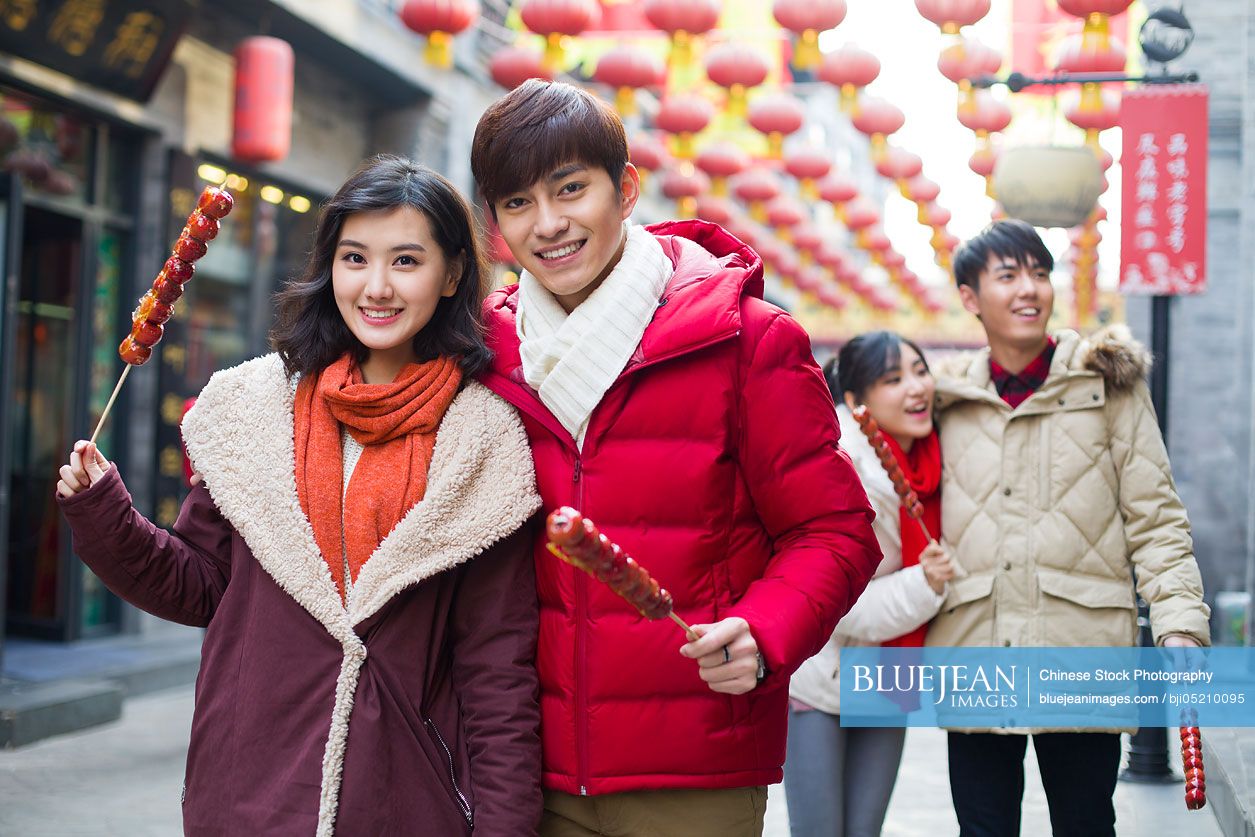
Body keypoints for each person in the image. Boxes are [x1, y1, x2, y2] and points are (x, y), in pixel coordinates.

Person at [56, 155, 544, 836]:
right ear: (329, 265)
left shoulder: (481, 441)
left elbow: (497, 671)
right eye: (354, 258)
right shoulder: (253, 408)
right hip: (246, 787)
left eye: (406, 261)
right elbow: (200, 586)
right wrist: (103, 509)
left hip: (401, 803)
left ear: (452, 273)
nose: (376, 287)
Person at [470, 79, 882, 837]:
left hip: (693, 768)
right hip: (521, 768)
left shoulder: (748, 341)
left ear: (623, 190)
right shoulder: (481, 351)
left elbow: (835, 530)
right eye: (518, 202)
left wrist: (762, 629)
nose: (549, 224)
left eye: (570, 189)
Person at [929, 218, 1210, 837]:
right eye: (1009, 276)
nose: (1030, 289)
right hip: (975, 646)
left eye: (1040, 273)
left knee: (1085, 823)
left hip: (1080, 649)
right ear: (971, 298)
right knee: (982, 827)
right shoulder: (945, 401)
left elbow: (1155, 516)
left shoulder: (1107, 385)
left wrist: (1180, 622)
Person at [785, 332, 955, 837]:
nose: (915, 388)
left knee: (865, 830)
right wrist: (924, 584)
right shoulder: (841, 470)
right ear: (856, 401)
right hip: (821, 675)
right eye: (893, 379)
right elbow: (829, 600)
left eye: (920, 371)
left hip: (889, 674)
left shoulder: (936, 462)